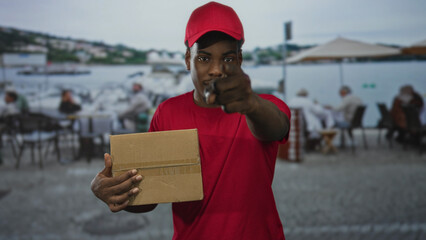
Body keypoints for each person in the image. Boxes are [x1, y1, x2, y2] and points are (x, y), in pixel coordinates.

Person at [90, 2, 291, 239]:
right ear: (188, 59)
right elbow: (148, 198)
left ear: (239, 60)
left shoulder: (265, 107)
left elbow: (276, 127)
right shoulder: (168, 113)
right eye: (204, 58)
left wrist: (251, 104)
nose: (216, 69)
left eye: (227, 59)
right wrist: (113, 189)